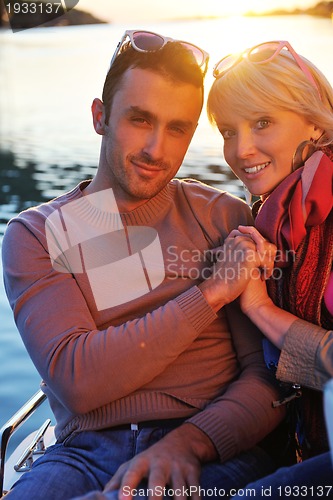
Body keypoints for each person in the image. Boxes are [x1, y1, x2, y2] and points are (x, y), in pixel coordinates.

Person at [1, 31, 284, 499]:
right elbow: (79, 381)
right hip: (83, 452)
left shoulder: (222, 216)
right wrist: (211, 292)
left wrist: (189, 444)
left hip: (208, 446)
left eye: (178, 129)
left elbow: (266, 379)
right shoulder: (37, 233)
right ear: (100, 117)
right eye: (139, 119)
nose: (157, 149)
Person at [207, 40, 333, 497]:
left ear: (316, 123)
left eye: (262, 122)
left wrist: (260, 308)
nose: (241, 150)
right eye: (226, 130)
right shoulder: (277, 217)